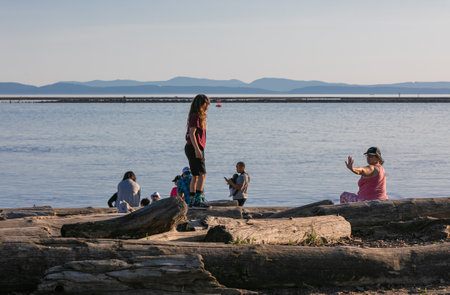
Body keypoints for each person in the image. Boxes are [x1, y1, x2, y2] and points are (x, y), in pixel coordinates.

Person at [184, 94, 210, 207]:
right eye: (206, 104)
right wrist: (197, 150)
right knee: (202, 175)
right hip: (194, 147)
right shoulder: (195, 116)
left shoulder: (196, 116)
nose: (207, 107)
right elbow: (192, 133)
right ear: (201, 104)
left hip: (193, 147)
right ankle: (198, 199)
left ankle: (192, 200)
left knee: (195, 175)